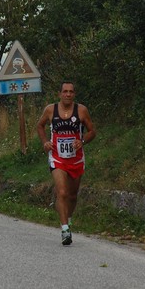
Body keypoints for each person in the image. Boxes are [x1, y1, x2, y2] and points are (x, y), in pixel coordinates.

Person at [36, 81, 96, 246]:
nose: (68, 94)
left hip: (76, 159)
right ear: (60, 94)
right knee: (62, 192)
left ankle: (68, 219)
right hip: (57, 158)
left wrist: (82, 140)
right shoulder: (50, 110)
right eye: (65, 91)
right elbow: (40, 126)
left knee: (72, 195)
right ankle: (65, 230)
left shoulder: (81, 110)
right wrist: (45, 142)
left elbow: (92, 131)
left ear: (74, 94)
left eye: (71, 92)